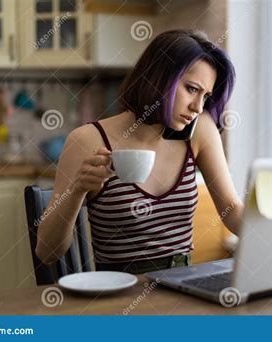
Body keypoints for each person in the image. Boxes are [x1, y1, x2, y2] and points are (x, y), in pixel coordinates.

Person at [36, 29, 244, 274]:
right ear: (159, 79)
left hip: (181, 287)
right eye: (191, 89)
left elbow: (231, 211)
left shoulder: (199, 131)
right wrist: (77, 191)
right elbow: (47, 252)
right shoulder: (87, 140)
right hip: (117, 292)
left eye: (205, 96)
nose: (198, 107)